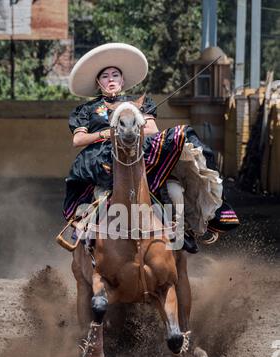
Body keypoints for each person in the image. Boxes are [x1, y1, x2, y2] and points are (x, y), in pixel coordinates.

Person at [64, 43, 239, 251]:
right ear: (98, 82)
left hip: (138, 150)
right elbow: (78, 140)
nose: (111, 79)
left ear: (122, 80)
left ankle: (184, 227)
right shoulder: (86, 109)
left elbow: (152, 130)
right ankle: (86, 230)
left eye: (115, 75)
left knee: (182, 143)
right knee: (96, 194)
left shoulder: (138, 102)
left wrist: (129, 131)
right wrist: (106, 134)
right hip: (101, 157)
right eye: (105, 76)